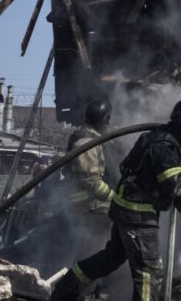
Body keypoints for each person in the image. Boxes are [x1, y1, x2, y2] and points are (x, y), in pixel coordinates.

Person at [51, 99, 181, 301]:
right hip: (138, 216)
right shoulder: (163, 147)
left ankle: (66, 289)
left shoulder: (171, 142)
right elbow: (177, 185)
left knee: (112, 258)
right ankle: (66, 290)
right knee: (149, 272)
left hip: (127, 212)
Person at [63, 99, 116, 260]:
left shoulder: (96, 137)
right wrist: (114, 198)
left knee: (99, 252)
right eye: (108, 120)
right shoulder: (86, 142)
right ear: (103, 120)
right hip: (90, 208)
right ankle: (78, 284)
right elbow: (91, 180)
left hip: (95, 207)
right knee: (90, 254)